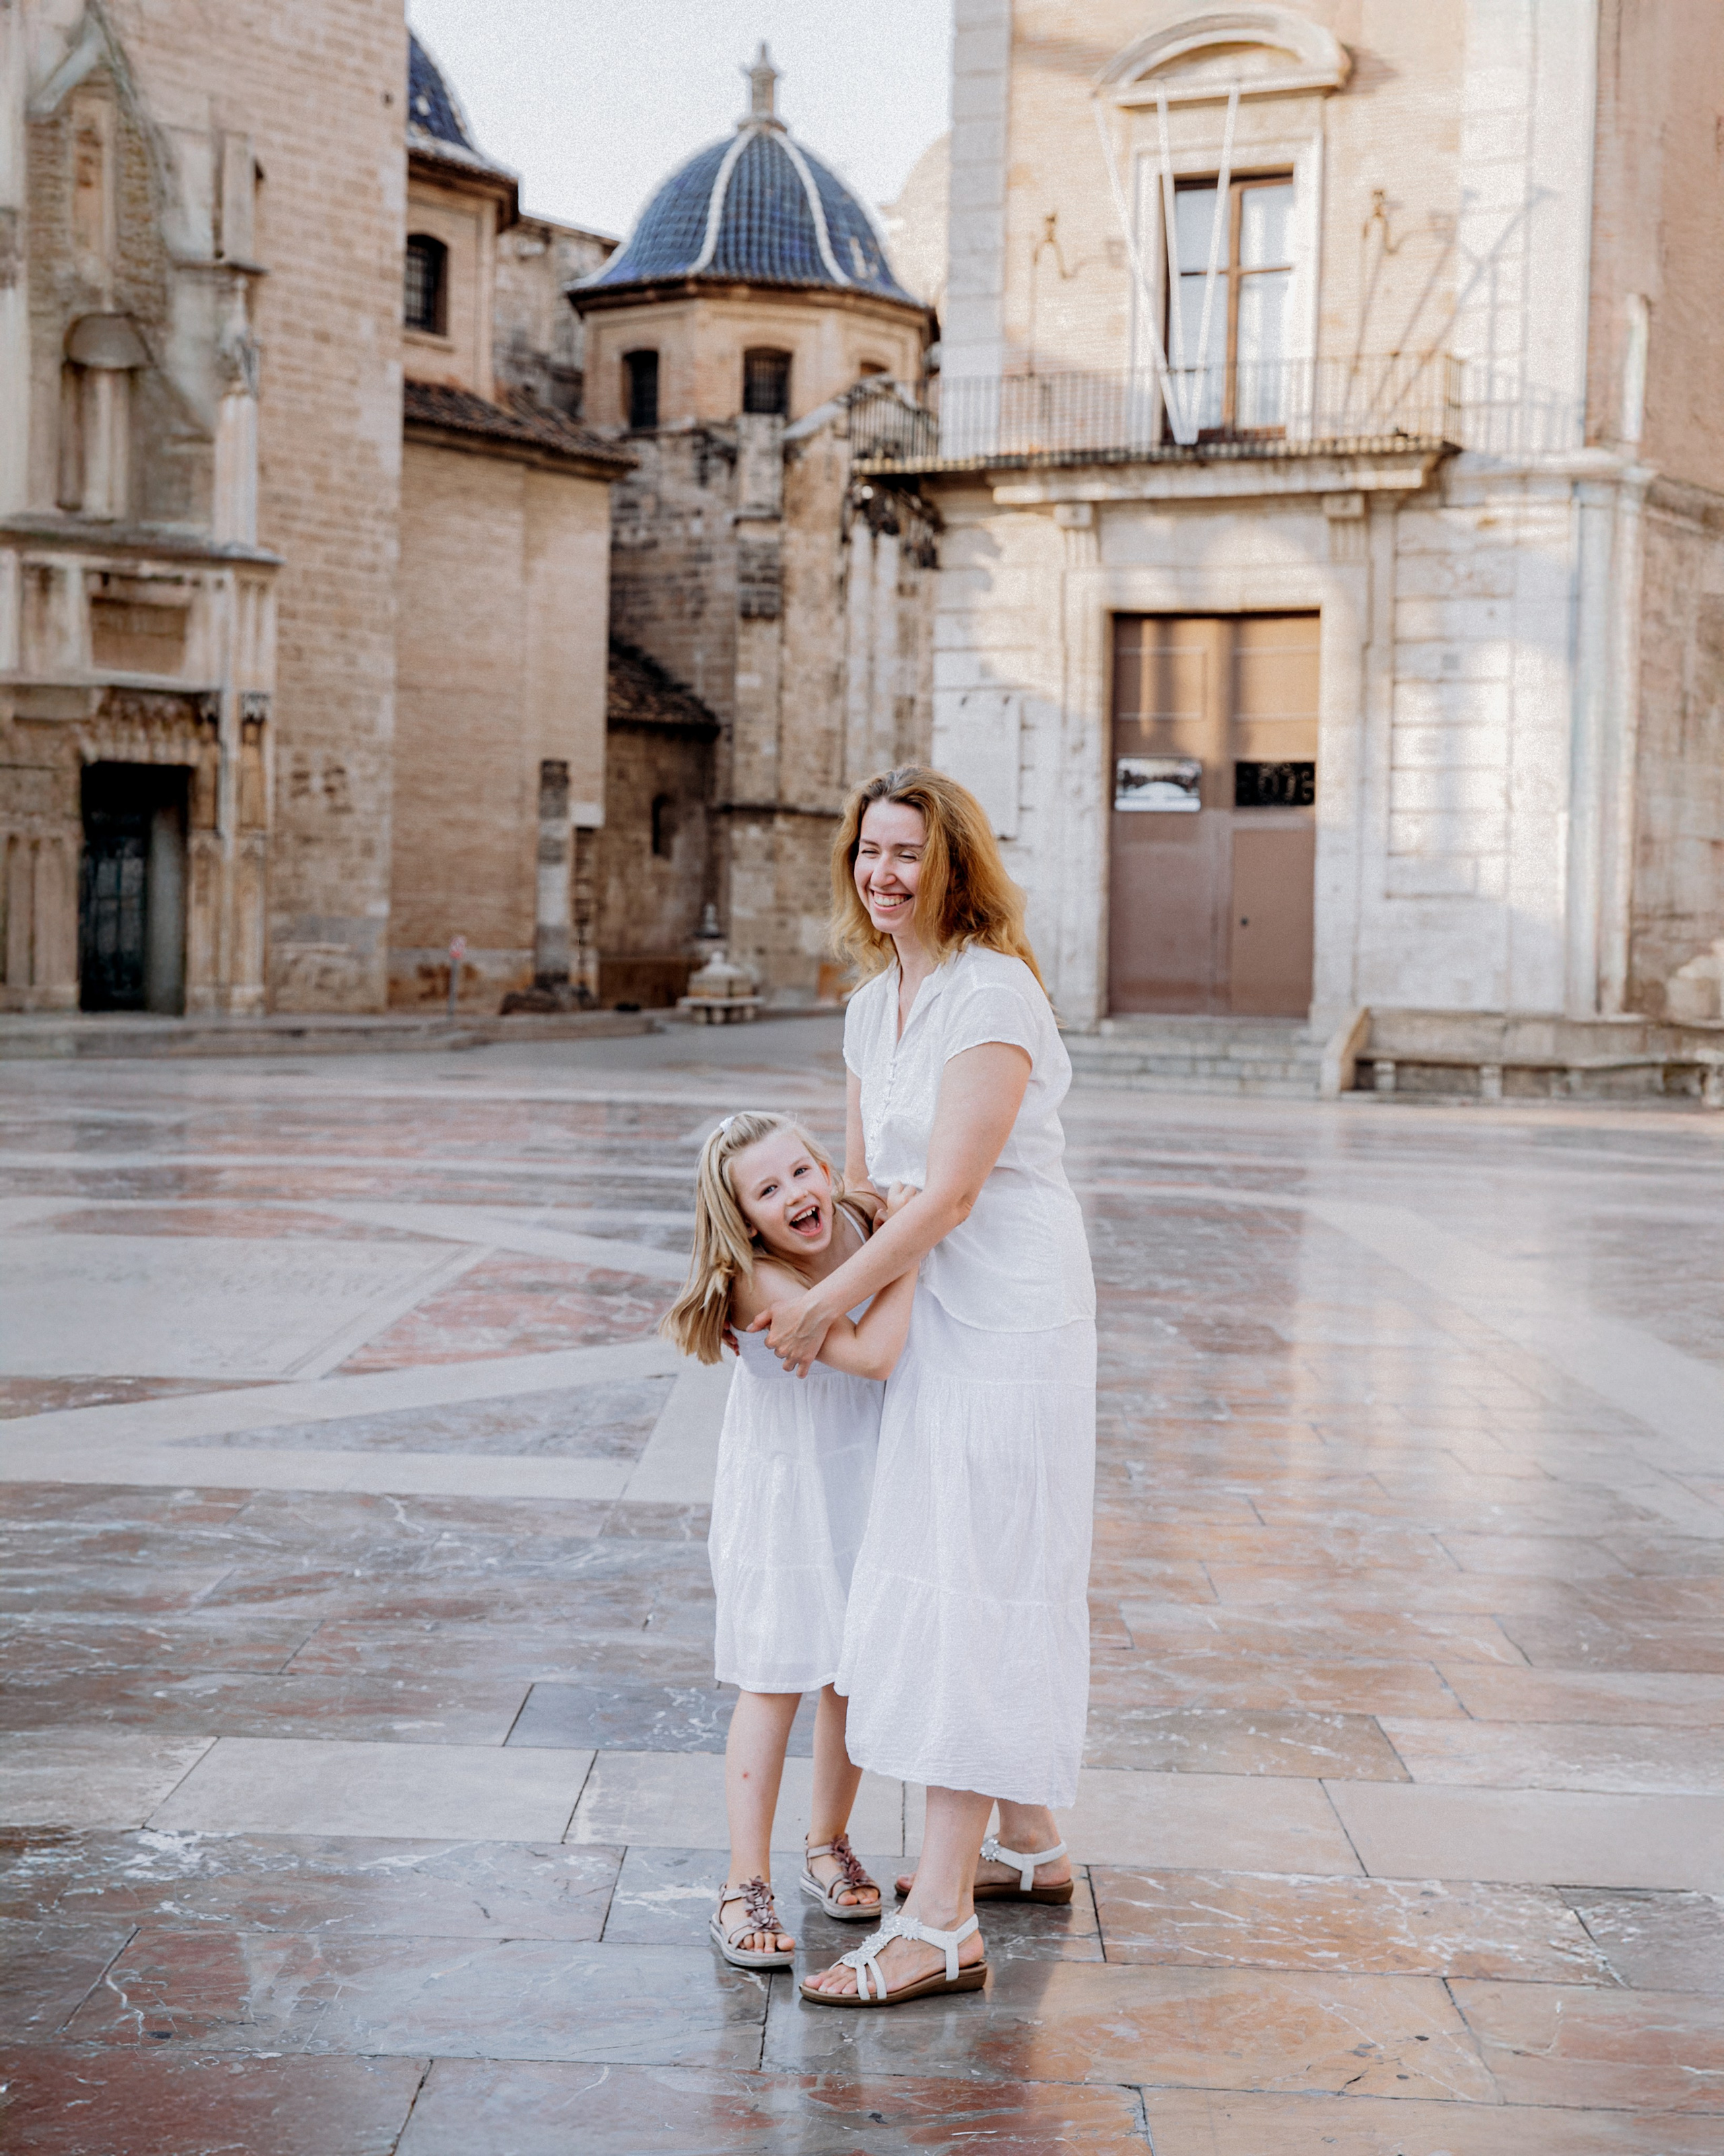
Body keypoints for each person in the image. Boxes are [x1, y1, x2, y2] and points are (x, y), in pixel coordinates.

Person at [749, 766, 1097, 2008]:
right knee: (955, 1552)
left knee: (973, 1573)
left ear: (954, 866)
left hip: (1004, 1309)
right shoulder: (867, 1005)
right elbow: (862, 1185)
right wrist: (780, 1281)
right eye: (867, 853)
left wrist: (826, 1304)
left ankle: (942, 1919)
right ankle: (1035, 1844)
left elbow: (950, 1194)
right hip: (918, 1302)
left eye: (908, 854)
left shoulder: (992, 994)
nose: (883, 875)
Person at [661, 1112, 918, 1971]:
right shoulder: (756, 1280)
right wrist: (918, 1239)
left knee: (850, 1668)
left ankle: (827, 1842)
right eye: (767, 1191)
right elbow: (878, 1353)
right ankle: (742, 1884)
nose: (797, 1195)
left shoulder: (853, 1220)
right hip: (784, 1491)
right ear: (742, 1219)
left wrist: (888, 1225)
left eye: (801, 1171)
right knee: (774, 1677)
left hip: (860, 1470)